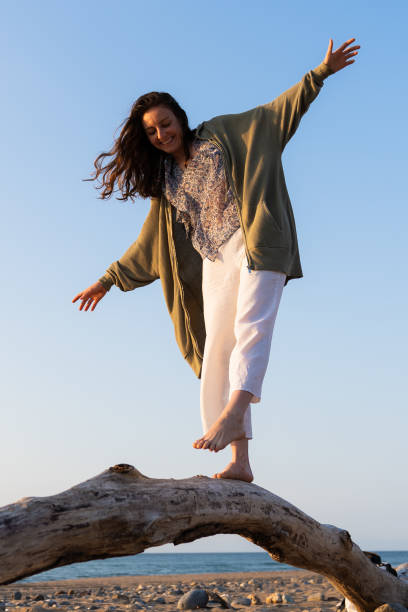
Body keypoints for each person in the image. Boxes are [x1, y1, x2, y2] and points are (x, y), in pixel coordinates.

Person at [73, 38, 359, 483]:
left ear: (180, 118)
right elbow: (150, 241)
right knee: (217, 352)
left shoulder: (223, 133)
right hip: (215, 261)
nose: (161, 134)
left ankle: (233, 413)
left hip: (256, 242)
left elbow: (275, 113)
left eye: (165, 124)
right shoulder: (167, 180)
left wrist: (319, 74)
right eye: (151, 131)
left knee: (252, 328)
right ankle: (240, 462)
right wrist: (108, 280)